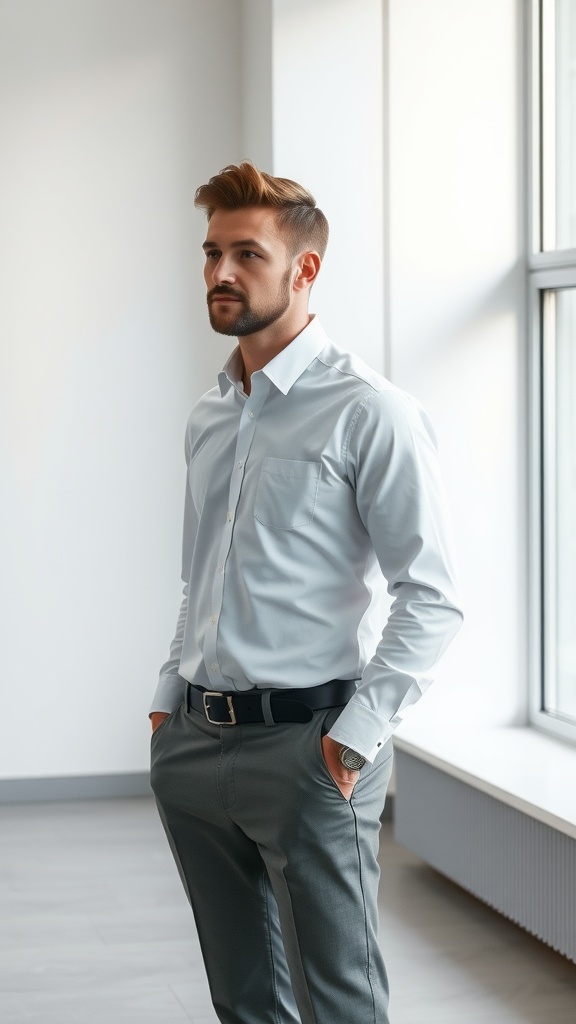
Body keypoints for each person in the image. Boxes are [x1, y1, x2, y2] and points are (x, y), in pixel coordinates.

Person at [149, 162, 462, 1024]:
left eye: (247, 253)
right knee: (244, 998)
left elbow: (431, 596)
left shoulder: (371, 411)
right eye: (211, 251)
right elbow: (199, 572)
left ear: (305, 270)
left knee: (340, 1003)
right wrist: (164, 703)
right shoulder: (210, 415)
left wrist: (352, 744)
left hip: (309, 753)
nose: (219, 272)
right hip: (192, 745)